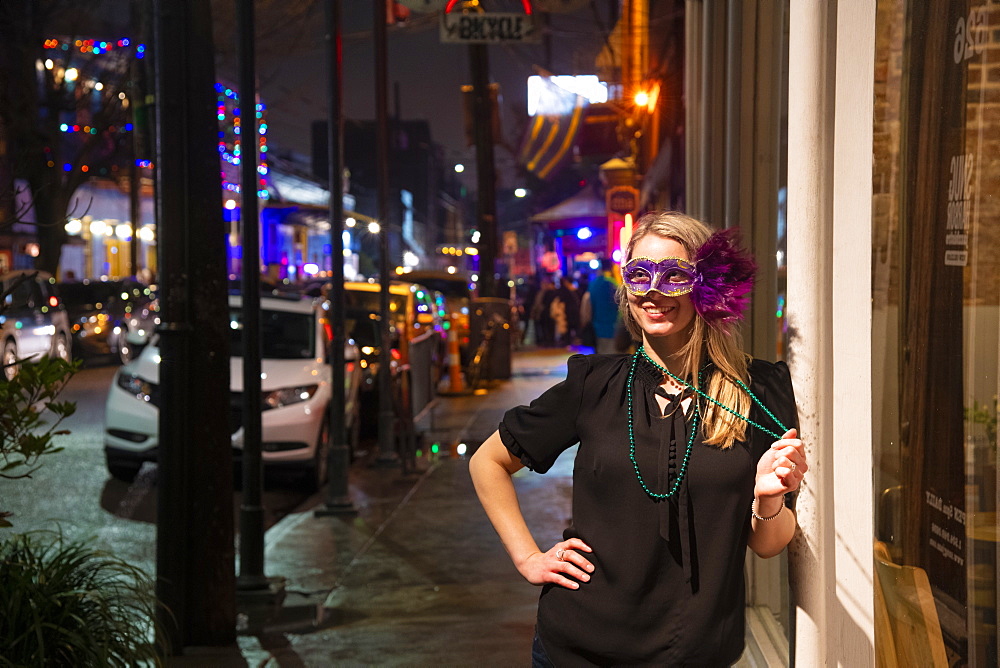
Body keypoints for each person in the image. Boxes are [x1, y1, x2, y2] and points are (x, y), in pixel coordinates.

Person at [469, 211, 807, 666]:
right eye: (639, 274)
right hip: (580, 647)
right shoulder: (594, 384)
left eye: (673, 275)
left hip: (695, 650)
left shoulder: (758, 392)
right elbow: (487, 462)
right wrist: (529, 557)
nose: (652, 291)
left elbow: (768, 544)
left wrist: (767, 501)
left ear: (709, 285)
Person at [583, 258, 620, 354]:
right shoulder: (614, 284)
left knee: (601, 355)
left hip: (597, 327)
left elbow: (587, 307)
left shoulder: (593, 284)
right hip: (614, 326)